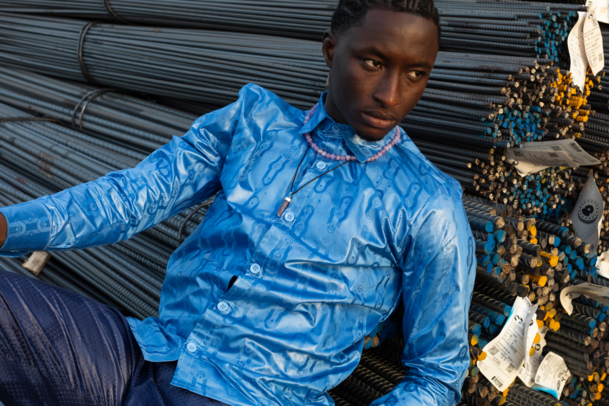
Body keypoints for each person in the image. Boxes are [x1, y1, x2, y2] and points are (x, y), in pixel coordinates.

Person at [0, 0, 475, 405]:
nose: (391, 94)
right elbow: (131, 198)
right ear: (331, 50)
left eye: (416, 74)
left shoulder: (428, 204)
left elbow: (436, 375)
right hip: (145, 356)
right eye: (373, 62)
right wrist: (6, 226)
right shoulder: (255, 123)